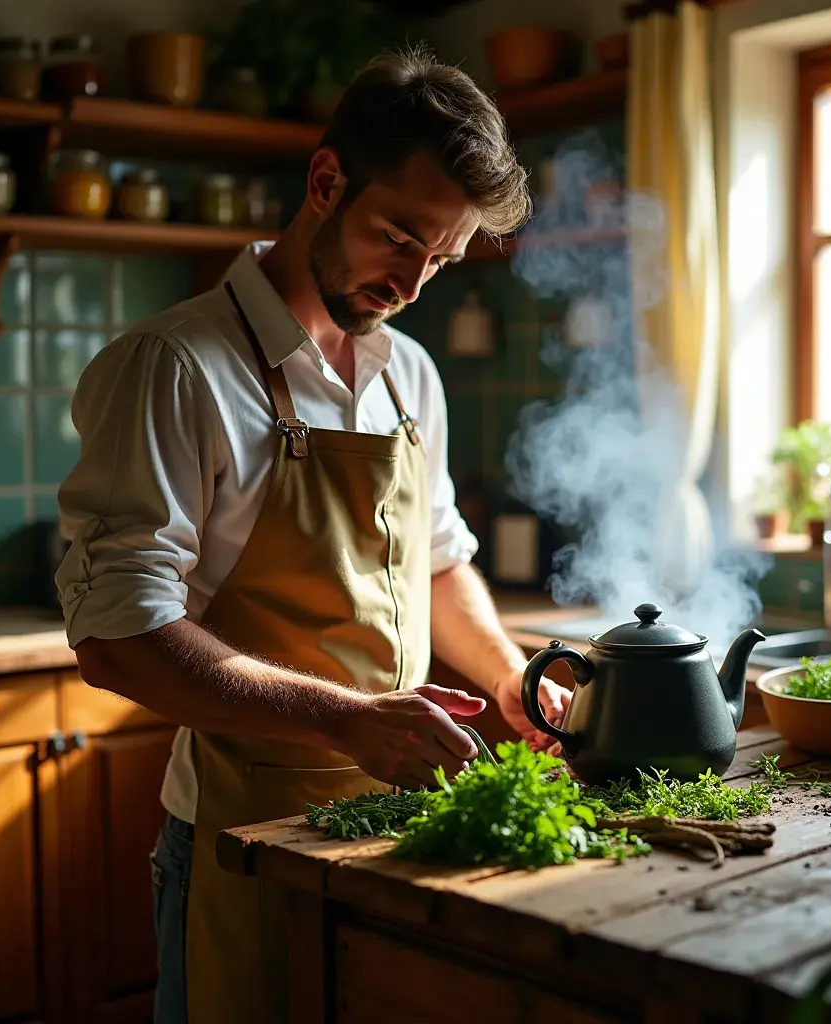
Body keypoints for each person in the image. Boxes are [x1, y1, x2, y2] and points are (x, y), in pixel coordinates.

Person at [55, 44, 572, 1024]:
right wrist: (345, 716)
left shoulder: (409, 373)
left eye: (444, 258)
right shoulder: (174, 366)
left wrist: (508, 677)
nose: (414, 282)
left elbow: (438, 555)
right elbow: (117, 635)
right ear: (326, 181)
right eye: (398, 237)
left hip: (399, 834)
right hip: (243, 840)